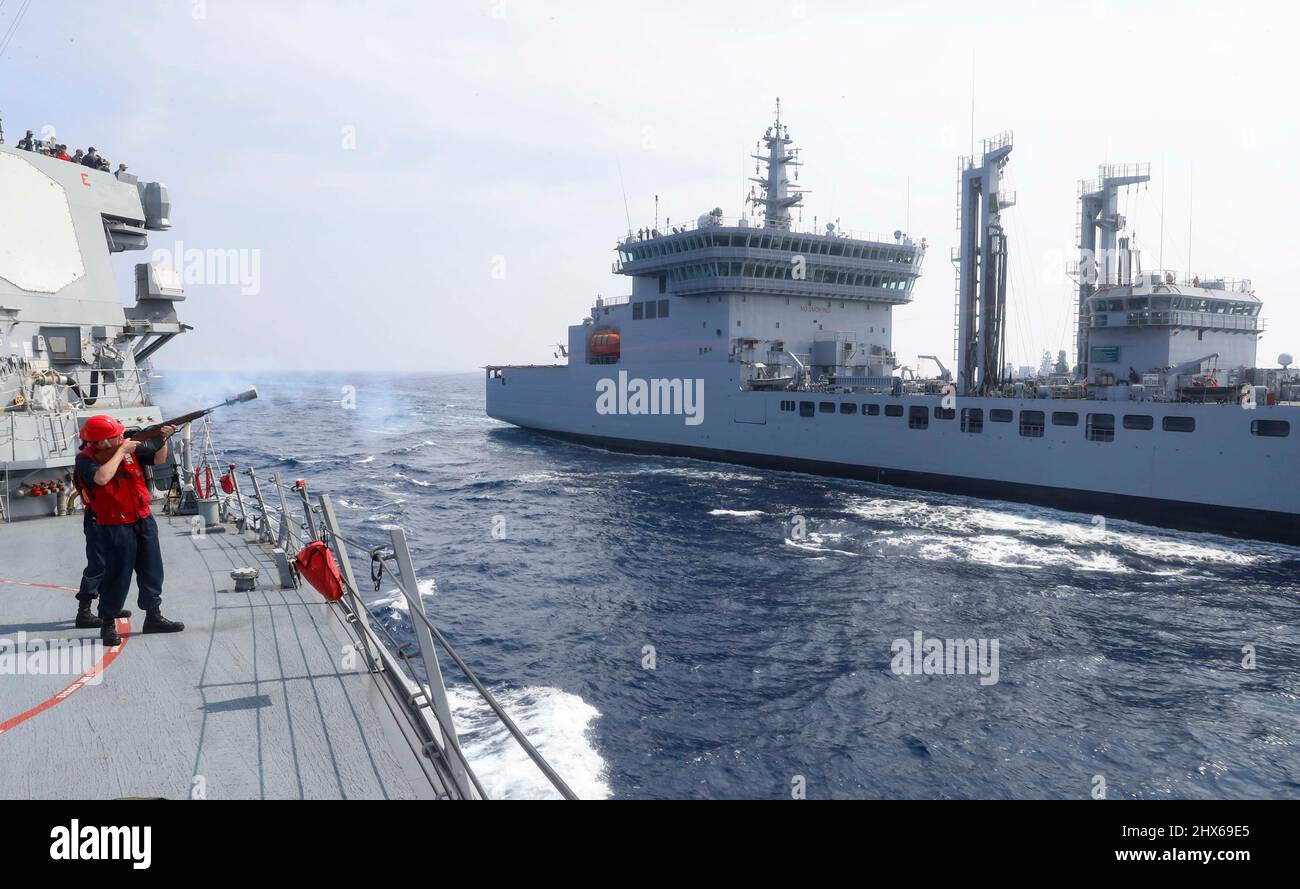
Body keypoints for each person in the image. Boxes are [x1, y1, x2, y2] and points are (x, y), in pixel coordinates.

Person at [75, 416, 184, 645]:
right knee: (116, 577)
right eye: (116, 436)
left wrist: (163, 439)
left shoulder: (127, 450)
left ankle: (153, 616)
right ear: (102, 442)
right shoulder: (85, 460)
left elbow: (157, 458)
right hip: (115, 525)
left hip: (143, 519)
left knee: (152, 571)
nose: (121, 437)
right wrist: (122, 450)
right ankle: (108, 624)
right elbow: (102, 478)